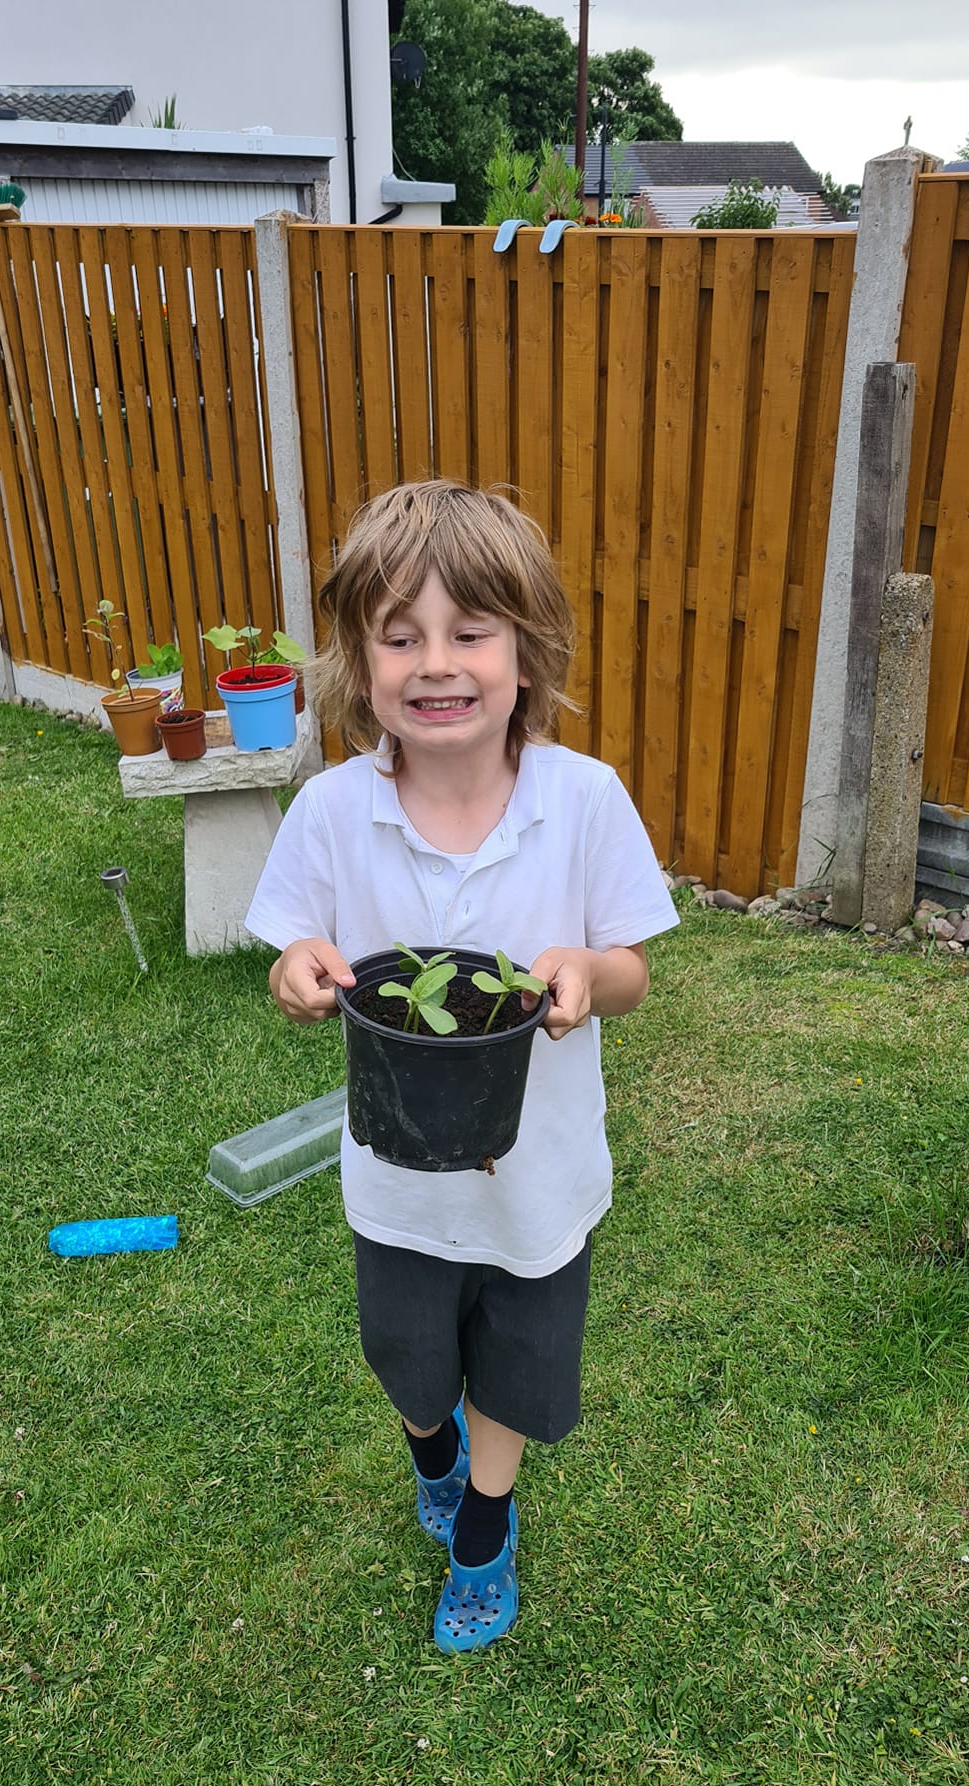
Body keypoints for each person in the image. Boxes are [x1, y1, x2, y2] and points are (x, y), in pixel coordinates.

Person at [245, 480, 677, 1653]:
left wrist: (587, 972)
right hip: (394, 1182)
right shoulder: (334, 811)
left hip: (537, 1181)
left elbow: (633, 965)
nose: (436, 663)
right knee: (404, 1354)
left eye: (469, 631)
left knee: (517, 1363)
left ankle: (484, 1521)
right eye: (400, 635)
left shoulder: (584, 802)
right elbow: (295, 948)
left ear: (525, 655)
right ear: (359, 662)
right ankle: (428, 1443)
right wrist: (297, 972)